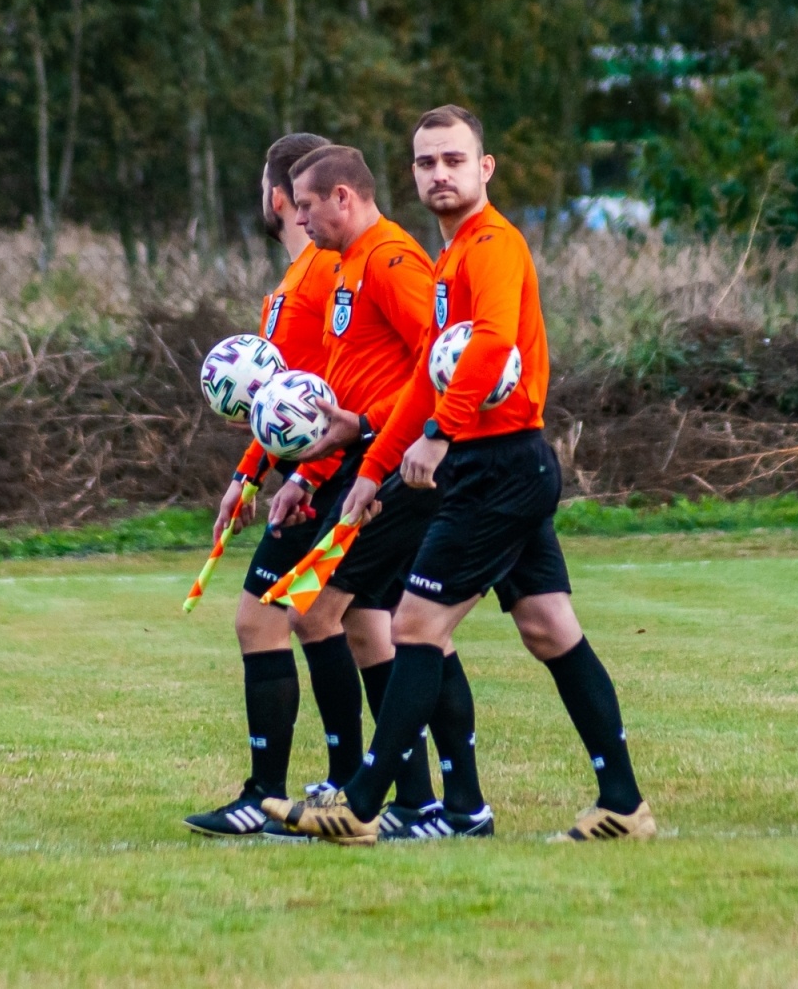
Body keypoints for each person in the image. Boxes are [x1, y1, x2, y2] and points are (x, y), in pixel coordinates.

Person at [261, 105, 654, 844]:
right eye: (425, 162)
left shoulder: (492, 246)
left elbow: (494, 345)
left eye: (453, 160)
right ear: (411, 173)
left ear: (485, 168)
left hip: (496, 463)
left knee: (412, 624)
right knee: (547, 627)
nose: (439, 173)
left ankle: (368, 802)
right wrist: (375, 468)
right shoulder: (449, 257)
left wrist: (440, 436)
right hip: (496, 461)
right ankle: (623, 804)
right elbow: (422, 381)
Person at [265, 143, 467, 840]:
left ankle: (368, 789)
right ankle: (415, 799)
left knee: (315, 613)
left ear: (344, 198)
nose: (304, 220)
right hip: (363, 462)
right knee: (362, 624)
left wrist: (382, 434)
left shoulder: (389, 259)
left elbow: (442, 358)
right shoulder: (347, 263)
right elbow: (350, 385)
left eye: (312, 206)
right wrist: (305, 471)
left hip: (406, 468)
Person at [184, 132, 360, 839]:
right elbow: (285, 400)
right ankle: (340, 783)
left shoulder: (317, 277)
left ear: (276, 194)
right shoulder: (297, 282)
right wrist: (249, 472)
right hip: (315, 476)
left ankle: (275, 792)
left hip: (326, 479)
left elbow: (332, 394)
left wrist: (306, 477)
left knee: (269, 619)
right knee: (335, 623)